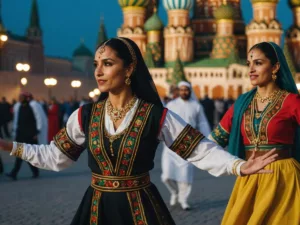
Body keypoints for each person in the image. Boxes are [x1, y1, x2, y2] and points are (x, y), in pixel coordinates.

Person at [0, 38, 277, 224]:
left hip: (140, 208)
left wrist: (239, 166)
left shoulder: (155, 116)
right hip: (96, 207)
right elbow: (55, 157)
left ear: (130, 68)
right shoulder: (86, 115)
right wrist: (9, 146)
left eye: (107, 64)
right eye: (96, 64)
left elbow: (198, 149)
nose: (98, 71)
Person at [209, 42, 300, 225]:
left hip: (283, 179)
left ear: (275, 67)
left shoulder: (291, 101)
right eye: (249, 64)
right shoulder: (242, 103)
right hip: (249, 179)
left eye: (258, 63)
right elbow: (212, 141)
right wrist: (234, 165)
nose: (251, 69)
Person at [161, 81, 211, 210]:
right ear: (178, 91)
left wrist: (208, 140)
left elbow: (203, 123)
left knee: (185, 176)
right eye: (182, 90)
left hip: (188, 144)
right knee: (166, 176)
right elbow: (163, 121)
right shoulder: (171, 105)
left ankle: (183, 200)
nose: (184, 92)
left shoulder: (196, 106)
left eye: (186, 90)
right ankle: (174, 193)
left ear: (190, 91)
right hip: (171, 143)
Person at [6, 92, 41, 180]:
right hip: (21, 134)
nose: (20, 99)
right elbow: (18, 121)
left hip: (29, 135)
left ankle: (34, 171)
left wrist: (36, 132)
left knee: (27, 155)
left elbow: (37, 120)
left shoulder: (32, 107)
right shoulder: (20, 107)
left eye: (21, 97)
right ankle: (15, 173)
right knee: (20, 154)